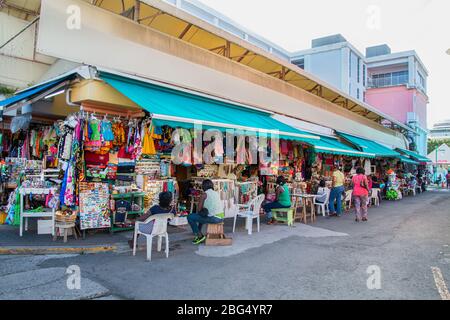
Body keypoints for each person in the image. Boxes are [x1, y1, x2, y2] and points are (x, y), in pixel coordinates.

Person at [187, 179, 225, 245]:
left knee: (190, 217)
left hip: (214, 218)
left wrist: (199, 200)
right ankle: (198, 232)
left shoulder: (204, 195)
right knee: (202, 215)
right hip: (221, 217)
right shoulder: (216, 193)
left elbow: (199, 209)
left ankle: (200, 236)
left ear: (203, 186)